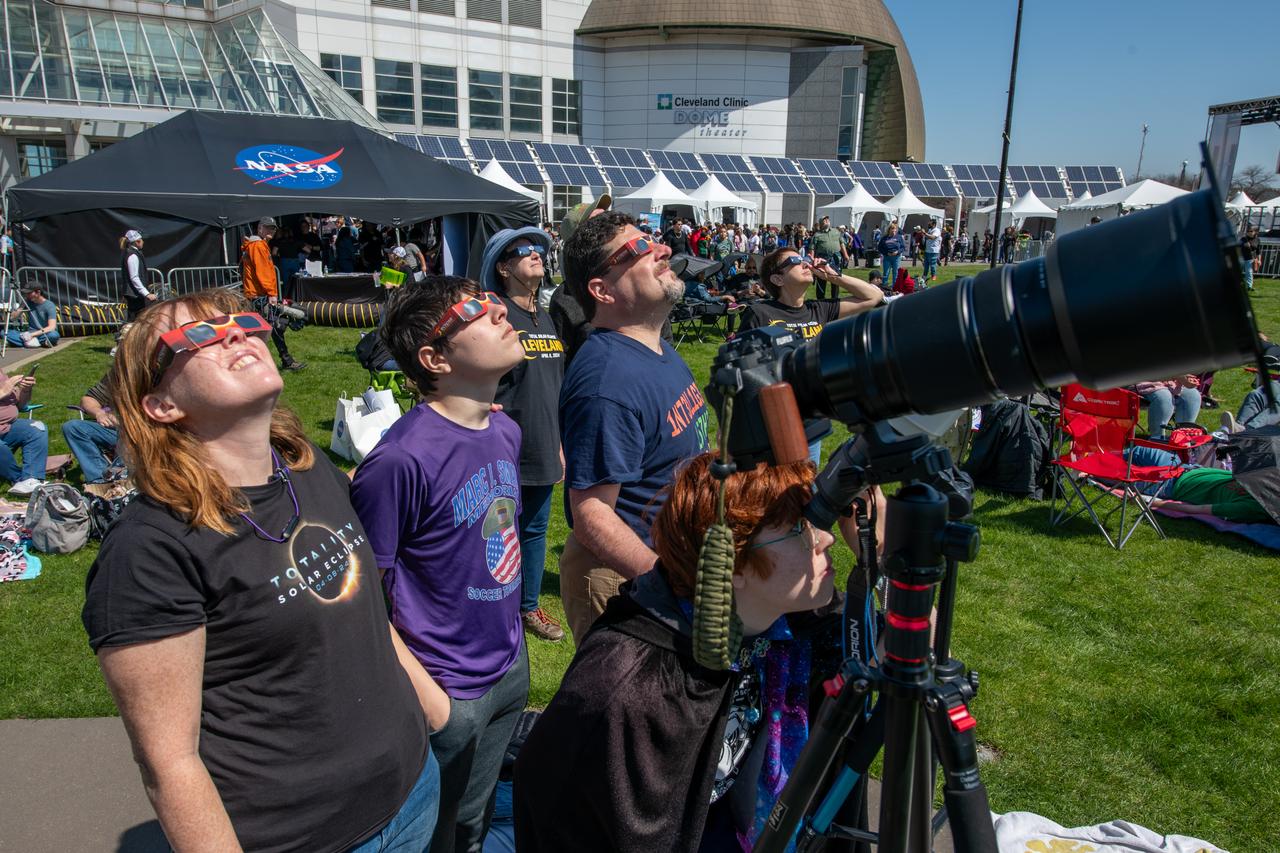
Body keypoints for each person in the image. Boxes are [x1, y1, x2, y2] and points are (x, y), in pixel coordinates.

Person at [82, 290, 449, 853]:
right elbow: (169, 763)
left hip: (412, 790)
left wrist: (429, 703)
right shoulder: (150, 549)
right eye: (200, 335)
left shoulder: (307, 467)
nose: (237, 334)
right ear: (160, 405)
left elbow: (358, 604)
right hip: (304, 837)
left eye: (244, 323)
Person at [513, 452, 859, 851]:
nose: (826, 538)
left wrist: (884, 554)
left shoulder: (787, 624)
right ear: (733, 566)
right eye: (799, 530)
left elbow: (901, 653)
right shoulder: (633, 687)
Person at [351, 278, 530, 853]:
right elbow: (363, 601)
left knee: (472, 821)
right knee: (435, 830)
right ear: (434, 358)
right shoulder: (400, 460)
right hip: (446, 684)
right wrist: (436, 703)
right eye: (475, 309)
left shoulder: (506, 429)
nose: (499, 310)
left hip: (508, 665)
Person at [557, 211, 710, 643]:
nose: (662, 250)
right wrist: (672, 587)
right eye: (638, 249)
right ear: (601, 290)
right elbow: (591, 515)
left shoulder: (656, 347)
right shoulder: (608, 381)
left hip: (669, 560)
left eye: (654, 241)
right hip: (625, 578)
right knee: (627, 708)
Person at [480, 227, 567, 643]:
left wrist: (559, 442)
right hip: (502, 444)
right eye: (523, 250)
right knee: (494, 529)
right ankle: (489, 606)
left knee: (533, 529)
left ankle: (528, 606)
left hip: (543, 442)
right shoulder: (494, 315)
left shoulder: (544, 316)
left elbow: (554, 385)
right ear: (502, 267)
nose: (536, 253)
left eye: (539, 249)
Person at [738, 247, 884, 464]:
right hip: (775, 418)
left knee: (805, 486)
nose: (806, 263)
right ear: (778, 278)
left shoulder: (818, 309)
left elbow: (874, 296)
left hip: (811, 418)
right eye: (795, 261)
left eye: (805, 258)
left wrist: (833, 276)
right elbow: (740, 370)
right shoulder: (760, 313)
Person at [241, 217, 306, 372]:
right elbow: (262, 272)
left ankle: (284, 361)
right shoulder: (257, 245)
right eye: (268, 228)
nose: (271, 231)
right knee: (273, 328)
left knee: (271, 328)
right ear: (260, 228)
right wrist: (271, 293)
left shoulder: (258, 244)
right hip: (260, 296)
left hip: (258, 295)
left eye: (274, 228)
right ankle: (264, 364)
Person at [62, 371, 123, 484]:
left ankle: (124, 476)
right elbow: (89, 399)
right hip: (116, 430)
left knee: (132, 430)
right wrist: (99, 413)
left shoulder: (162, 373)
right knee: (72, 427)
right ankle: (101, 480)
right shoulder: (121, 372)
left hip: (146, 432)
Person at [0, 366, 46, 496]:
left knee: (37, 428)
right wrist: (4, 390)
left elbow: (20, 405)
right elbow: (4, 392)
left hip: (7, 426)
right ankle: (19, 480)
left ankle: (32, 479)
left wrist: (25, 390)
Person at [1135, 375, 1202, 440]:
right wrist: (1178, 376)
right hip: (1142, 380)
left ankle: (1183, 438)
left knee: (1193, 395)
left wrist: (1185, 376)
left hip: (1169, 381)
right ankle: (1157, 438)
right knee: (1164, 397)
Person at [119, 229, 157, 320]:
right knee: (135, 321)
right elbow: (134, 277)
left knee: (136, 320)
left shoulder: (131, 253)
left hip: (135, 294)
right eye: (142, 240)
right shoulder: (133, 255)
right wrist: (147, 294)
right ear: (137, 242)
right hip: (134, 295)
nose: (143, 242)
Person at [810, 215, 847, 299]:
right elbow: (811, 248)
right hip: (822, 258)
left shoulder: (836, 231)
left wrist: (845, 255)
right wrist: (811, 260)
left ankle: (835, 298)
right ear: (820, 223)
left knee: (836, 279)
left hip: (836, 258)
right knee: (822, 279)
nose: (827, 220)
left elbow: (842, 243)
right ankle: (820, 300)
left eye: (827, 219)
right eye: (824, 219)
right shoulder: (817, 235)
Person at [877, 222, 905, 287]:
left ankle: (895, 286)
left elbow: (903, 247)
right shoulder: (884, 238)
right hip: (887, 257)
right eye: (892, 229)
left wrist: (897, 252)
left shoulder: (899, 237)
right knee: (886, 273)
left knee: (896, 273)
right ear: (889, 230)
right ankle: (884, 286)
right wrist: (886, 253)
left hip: (896, 257)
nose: (894, 231)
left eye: (895, 230)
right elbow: (880, 248)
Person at [1241, 226, 1260, 292]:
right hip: (1241, 258)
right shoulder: (1243, 239)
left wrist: (1259, 260)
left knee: (1249, 272)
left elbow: (1258, 251)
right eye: (1248, 231)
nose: (1249, 232)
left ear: (1255, 232)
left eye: (1251, 231)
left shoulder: (1257, 239)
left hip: (1250, 259)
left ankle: (1249, 286)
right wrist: (1244, 245)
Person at [922, 218, 942, 283]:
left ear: (933, 224)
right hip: (928, 250)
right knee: (926, 265)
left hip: (933, 250)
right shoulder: (930, 230)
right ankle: (924, 276)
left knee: (932, 264)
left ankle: (933, 275)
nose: (928, 224)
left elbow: (933, 237)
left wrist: (925, 233)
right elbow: (927, 237)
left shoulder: (937, 230)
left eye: (929, 223)